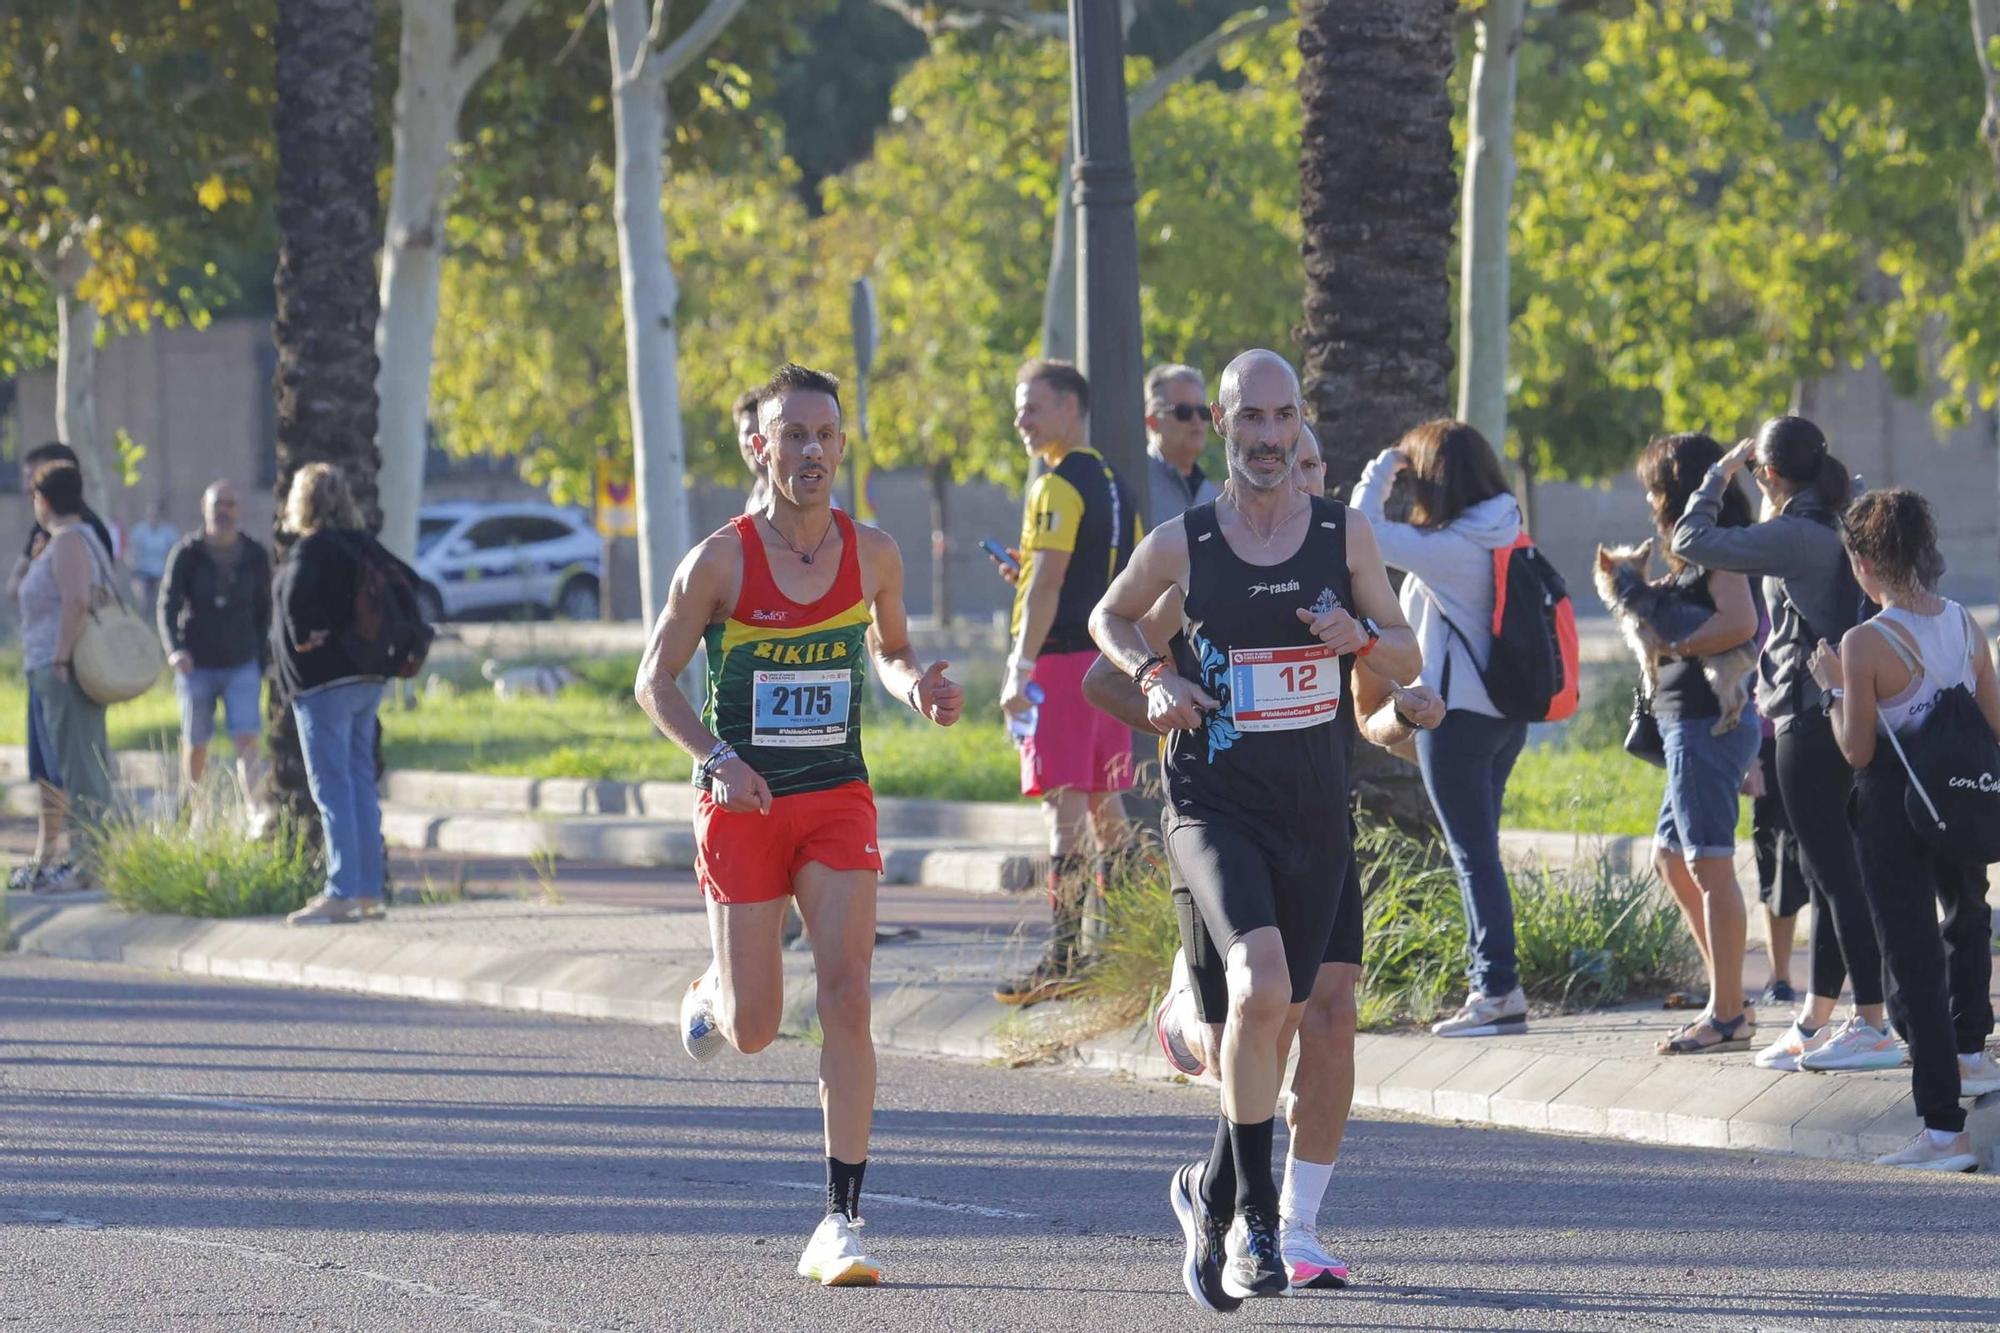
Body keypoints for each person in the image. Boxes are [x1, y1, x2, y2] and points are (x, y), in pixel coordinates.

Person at [1082, 421, 1444, 1294]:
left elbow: (1370, 711)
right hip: (1223, 811)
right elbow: (1107, 669)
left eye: (1316, 466)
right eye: (1297, 464)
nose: (1304, 483)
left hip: (1317, 815)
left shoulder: (1342, 568)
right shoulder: (1205, 564)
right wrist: (1168, 697)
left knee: (1326, 1014)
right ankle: (1231, 1169)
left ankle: (1288, 1221)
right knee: (1261, 1007)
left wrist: (1409, 711)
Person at [638, 364, 963, 1288]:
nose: (811, 451)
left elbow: (890, 650)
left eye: (826, 435)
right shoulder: (720, 560)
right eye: (793, 435)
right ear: (760, 446)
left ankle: (841, 1219)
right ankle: (713, 987)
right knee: (751, 1028)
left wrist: (919, 690)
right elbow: (652, 682)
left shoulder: (877, 552)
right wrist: (715, 758)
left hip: (834, 798)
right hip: (743, 802)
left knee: (849, 994)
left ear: (843, 446)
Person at [1670, 416, 1895, 1074]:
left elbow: (1692, 538)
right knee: (1831, 875)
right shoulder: (1841, 509)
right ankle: (1818, 1016)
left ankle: (1873, 1021)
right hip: (1840, 708)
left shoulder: (1799, 533)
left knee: (1835, 875)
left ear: (1768, 473)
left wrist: (1718, 474)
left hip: (1807, 715)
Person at [1810, 487, 2000, 1171]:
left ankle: (1942, 1132)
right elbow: (1994, 724)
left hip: (1893, 803)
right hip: (1960, 797)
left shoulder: (1865, 642)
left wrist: (1834, 685)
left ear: (1862, 562)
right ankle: (1974, 1052)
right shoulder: (1964, 624)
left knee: (1912, 956)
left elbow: (1857, 749)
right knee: (1968, 915)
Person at [1352, 421, 1531, 1038]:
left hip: (1455, 723)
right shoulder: (1507, 528)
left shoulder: (1451, 547)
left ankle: (1496, 989)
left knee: (1472, 854)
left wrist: (1385, 464)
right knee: (1480, 851)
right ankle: (1495, 982)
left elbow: (1358, 529)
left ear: (1434, 478)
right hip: (1506, 720)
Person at [991, 358, 1143, 1006]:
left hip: (1061, 663)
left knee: (1066, 808)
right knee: (1107, 811)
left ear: (1071, 409)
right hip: (1108, 662)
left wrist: (1018, 666)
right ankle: (1146, 935)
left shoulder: (1054, 486)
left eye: (1034, 406)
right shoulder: (1114, 484)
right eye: (1019, 407)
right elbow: (1109, 574)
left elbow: (1052, 583)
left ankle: (1064, 955)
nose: (1021, 419)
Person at [1633, 434, 1763, 1054]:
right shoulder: (1697, 549)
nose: (1650, 499)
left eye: (1655, 487)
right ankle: (1728, 995)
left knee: (1709, 863)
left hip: (1708, 724)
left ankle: (1729, 1013)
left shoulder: (1717, 551)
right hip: (1687, 723)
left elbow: (1740, 624)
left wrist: (1674, 646)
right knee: (1670, 857)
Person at [273, 464, 391, 927]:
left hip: (323, 684)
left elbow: (297, 607)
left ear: (301, 502)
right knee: (360, 782)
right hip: (367, 678)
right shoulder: (363, 547)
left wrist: (306, 636)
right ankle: (368, 891)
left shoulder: (311, 550)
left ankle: (342, 890)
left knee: (332, 788)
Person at [7, 443, 116, 891]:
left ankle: (90, 861)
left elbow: (75, 602)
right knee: (67, 767)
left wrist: (59, 657)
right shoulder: (56, 542)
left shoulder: (71, 540)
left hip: (63, 669)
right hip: (52, 667)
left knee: (80, 770)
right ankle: (83, 857)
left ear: (44, 499)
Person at [159, 481, 272, 789]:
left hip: (242, 661)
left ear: (239, 510)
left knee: (247, 738)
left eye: (229, 504)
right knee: (196, 741)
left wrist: (263, 659)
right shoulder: (187, 553)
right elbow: (168, 605)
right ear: (204, 509)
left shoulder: (255, 555)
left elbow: (266, 610)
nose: (223, 511)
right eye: (217, 504)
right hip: (197, 663)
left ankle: (255, 812)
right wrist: (174, 649)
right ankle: (196, 809)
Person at [1143, 363, 1221, 529]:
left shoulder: (1214, 494)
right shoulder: (1135, 482)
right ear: (1152, 421)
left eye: (1202, 412)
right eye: (1183, 411)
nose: (1197, 421)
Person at [128, 499, 179, 612]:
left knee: (166, 595)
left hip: (162, 572)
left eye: (155, 514)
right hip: (142, 571)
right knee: (141, 596)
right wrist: (133, 564)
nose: (152, 517)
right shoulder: (139, 530)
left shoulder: (169, 532)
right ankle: (143, 618)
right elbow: (131, 552)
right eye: (149, 514)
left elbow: (174, 553)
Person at [733, 388, 771, 515]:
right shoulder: (755, 500)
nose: (752, 441)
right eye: (747, 433)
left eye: (760, 432)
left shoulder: (803, 500)